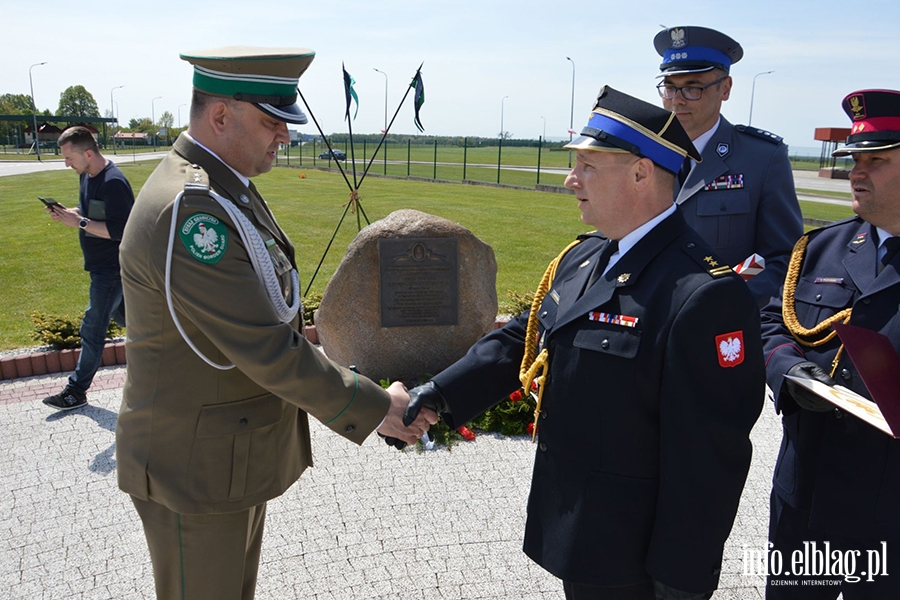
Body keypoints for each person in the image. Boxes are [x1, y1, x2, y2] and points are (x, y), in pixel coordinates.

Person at [403, 86, 765, 600]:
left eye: (588, 166)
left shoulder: (701, 294)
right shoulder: (585, 257)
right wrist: (438, 395)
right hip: (583, 536)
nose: (570, 180)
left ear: (641, 172)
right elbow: (521, 340)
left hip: (636, 560)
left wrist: (679, 583)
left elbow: (707, 463)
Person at [116, 46, 436, 600]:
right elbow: (265, 347)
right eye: (272, 122)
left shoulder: (223, 186)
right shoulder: (192, 210)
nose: (284, 136)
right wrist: (379, 406)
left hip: (224, 455)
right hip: (197, 466)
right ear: (220, 116)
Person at [761, 89, 900, 598]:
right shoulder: (822, 247)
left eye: (877, 161)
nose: (857, 173)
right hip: (808, 494)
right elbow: (772, 324)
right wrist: (787, 373)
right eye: (855, 160)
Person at [653, 26, 803, 307]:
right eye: (670, 87)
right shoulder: (644, 152)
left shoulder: (762, 158)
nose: (678, 100)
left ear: (725, 88)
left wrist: (728, 303)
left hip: (720, 325)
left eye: (693, 87)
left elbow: (785, 259)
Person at [42, 125, 134, 411]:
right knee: (137, 325)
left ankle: (76, 391)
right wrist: (71, 213)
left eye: (69, 158)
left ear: (89, 153)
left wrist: (78, 223)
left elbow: (121, 230)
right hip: (100, 268)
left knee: (92, 329)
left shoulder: (113, 183)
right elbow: (93, 212)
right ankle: (170, 367)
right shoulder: (87, 176)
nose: (67, 164)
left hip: (111, 270)